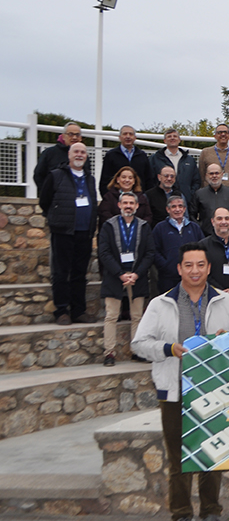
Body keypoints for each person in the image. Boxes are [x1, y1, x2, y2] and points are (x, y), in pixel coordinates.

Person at [131, 242, 229, 521]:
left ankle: (211, 513)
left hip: (216, 389)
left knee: (214, 453)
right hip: (175, 390)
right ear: (179, 269)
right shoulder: (159, 304)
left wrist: (228, 342)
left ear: (209, 268)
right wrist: (168, 349)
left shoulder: (226, 303)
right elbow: (139, 344)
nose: (195, 271)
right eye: (189, 265)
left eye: (200, 265)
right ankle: (181, 517)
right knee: (179, 457)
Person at [39, 142, 98, 325]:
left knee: (80, 273)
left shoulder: (90, 178)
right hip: (63, 231)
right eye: (76, 152)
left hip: (84, 233)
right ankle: (62, 311)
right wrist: (57, 219)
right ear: (69, 155)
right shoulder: (56, 175)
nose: (79, 155)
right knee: (61, 272)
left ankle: (78, 311)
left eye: (83, 152)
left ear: (86, 156)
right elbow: (44, 201)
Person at [97, 191, 154, 367]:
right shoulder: (108, 225)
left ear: (137, 206)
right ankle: (109, 353)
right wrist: (120, 273)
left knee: (137, 316)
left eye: (132, 203)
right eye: (125, 203)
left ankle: (137, 351)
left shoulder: (144, 226)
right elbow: (104, 252)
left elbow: (150, 253)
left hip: (137, 276)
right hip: (115, 276)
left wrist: (136, 274)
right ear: (119, 205)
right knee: (111, 316)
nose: (128, 206)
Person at [152, 195, 205, 293]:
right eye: (174, 207)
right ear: (168, 209)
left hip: (191, 277)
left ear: (184, 209)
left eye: (180, 206)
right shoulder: (160, 228)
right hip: (168, 278)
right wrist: (166, 266)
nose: (177, 209)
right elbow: (154, 250)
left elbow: (202, 249)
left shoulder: (194, 228)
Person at [33, 122, 92, 196]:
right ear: (63, 136)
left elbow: (88, 178)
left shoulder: (83, 156)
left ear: (80, 138)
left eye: (77, 135)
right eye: (70, 134)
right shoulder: (50, 153)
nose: (74, 137)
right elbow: (39, 175)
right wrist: (47, 194)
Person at [149, 129, 200, 206]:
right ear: (164, 140)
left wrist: (190, 194)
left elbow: (196, 180)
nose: (172, 138)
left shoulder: (189, 160)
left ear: (179, 140)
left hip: (186, 201)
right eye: (169, 136)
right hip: (161, 202)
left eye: (175, 136)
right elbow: (150, 180)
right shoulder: (155, 159)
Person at [100, 125, 153, 194]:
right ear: (120, 137)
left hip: (139, 198)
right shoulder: (111, 155)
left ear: (135, 138)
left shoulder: (142, 155)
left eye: (131, 134)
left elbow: (149, 179)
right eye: (125, 134)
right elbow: (105, 180)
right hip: (116, 198)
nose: (128, 136)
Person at [190, 164, 229, 237]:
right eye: (211, 173)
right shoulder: (199, 194)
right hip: (206, 236)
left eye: (217, 173)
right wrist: (201, 227)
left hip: (228, 235)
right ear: (206, 176)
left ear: (222, 174)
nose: (214, 176)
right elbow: (192, 214)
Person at [198, 124, 229, 189]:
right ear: (215, 136)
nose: (223, 134)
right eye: (219, 132)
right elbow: (201, 174)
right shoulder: (205, 153)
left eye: (225, 132)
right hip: (210, 193)